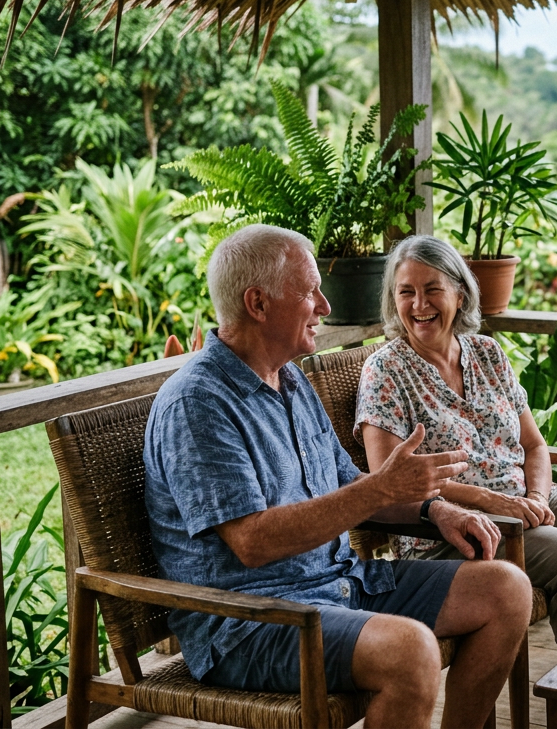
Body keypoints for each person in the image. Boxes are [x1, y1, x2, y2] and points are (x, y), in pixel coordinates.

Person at [143, 224, 533, 729]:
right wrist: (380, 487)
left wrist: (435, 509)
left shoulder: (289, 377)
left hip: (339, 585)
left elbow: (348, 484)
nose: (325, 306)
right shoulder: (198, 403)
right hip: (250, 621)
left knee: (506, 589)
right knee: (411, 651)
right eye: (310, 292)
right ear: (258, 304)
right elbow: (253, 542)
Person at [355, 235, 557, 655]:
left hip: (524, 502)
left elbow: (534, 445)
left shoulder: (487, 353)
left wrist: (537, 498)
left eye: (432, 289)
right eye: (406, 292)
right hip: (454, 531)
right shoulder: (386, 371)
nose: (419, 304)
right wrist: (490, 501)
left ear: (460, 293)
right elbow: (387, 480)